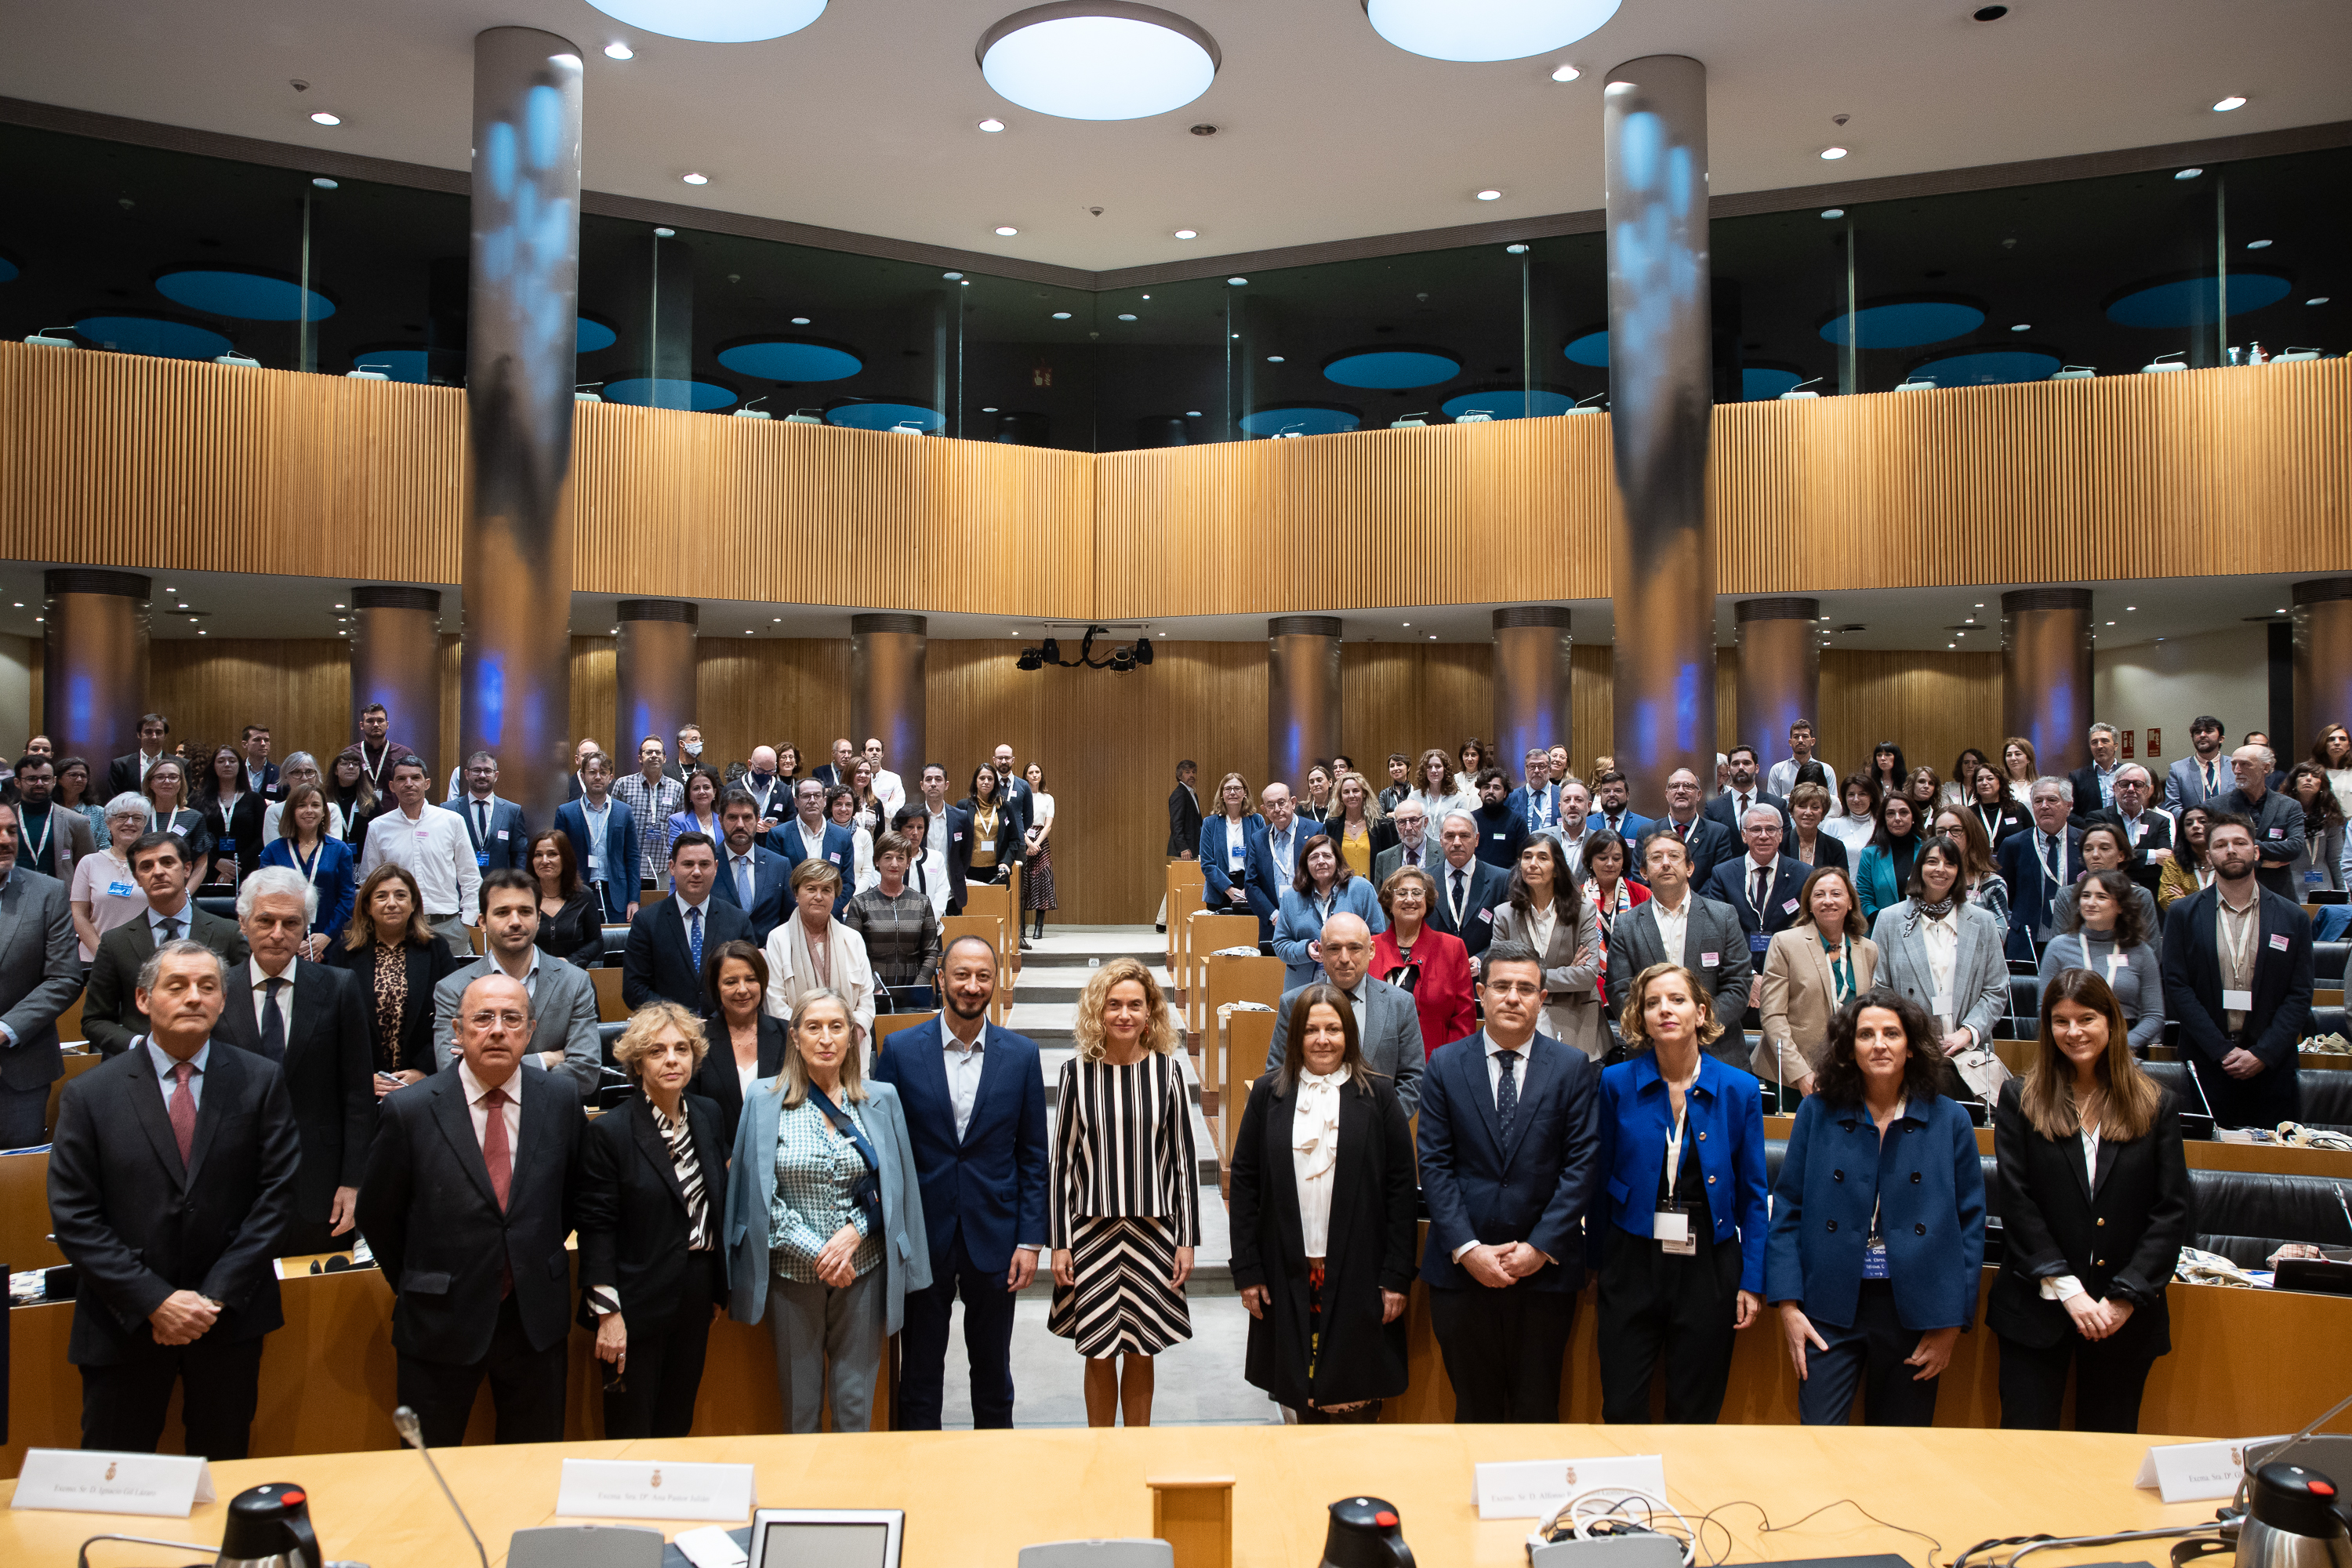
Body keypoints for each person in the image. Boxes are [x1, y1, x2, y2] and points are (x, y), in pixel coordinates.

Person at [46, 939, 301, 1457]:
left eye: (208, 987)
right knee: (115, 1480)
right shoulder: (91, 1094)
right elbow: (74, 1216)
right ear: (143, 999)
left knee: (222, 1472)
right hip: (124, 1319)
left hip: (226, 1316)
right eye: (177, 986)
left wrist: (210, 1299)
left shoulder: (260, 1080)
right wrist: (155, 1302)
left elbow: (278, 1197)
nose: (194, 997)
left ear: (223, 1001)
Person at [358, 972, 586, 1446]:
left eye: (511, 1018)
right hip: (438, 1319)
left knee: (531, 1472)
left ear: (530, 1031)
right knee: (430, 1476)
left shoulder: (562, 1100)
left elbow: (570, 1201)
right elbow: (380, 1215)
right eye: (483, 1018)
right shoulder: (411, 1110)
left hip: (533, 1321)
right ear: (458, 1033)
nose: (497, 1029)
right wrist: (424, 1279)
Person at [1766, 991, 1985, 1425]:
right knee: (1819, 1439)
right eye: (1866, 1034)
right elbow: (1788, 1207)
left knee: (1900, 1454)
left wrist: (1950, 1327)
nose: (1879, 1044)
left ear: (1911, 1045)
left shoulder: (1951, 1121)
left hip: (1917, 1311)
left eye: (1891, 1033)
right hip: (1829, 1303)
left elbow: (1970, 1225)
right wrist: (1789, 1308)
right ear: (1849, 1048)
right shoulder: (1816, 1112)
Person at [1990, 969, 2190, 1432]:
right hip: (2037, 1313)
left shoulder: (2156, 1103)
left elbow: (2171, 1211)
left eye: (2086, 1018)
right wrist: (2071, 1291)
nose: (2073, 1032)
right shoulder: (2021, 1097)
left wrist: (2124, 1298)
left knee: (2106, 1462)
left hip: (2125, 1318)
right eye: (2061, 1021)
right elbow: (2017, 1203)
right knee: (2024, 1459)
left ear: (2111, 1022)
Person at [725, 986, 928, 1434]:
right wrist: (818, 1250)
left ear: (852, 1036)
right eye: (813, 1027)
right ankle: (804, 1500)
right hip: (793, 1275)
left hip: (864, 1270)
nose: (825, 1038)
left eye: (836, 1027)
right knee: (800, 1408)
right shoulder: (763, 1100)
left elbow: (898, 1185)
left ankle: (848, 1499)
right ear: (794, 1037)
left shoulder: (880, 1099)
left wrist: (855, 1233)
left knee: (855, 1405)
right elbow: (755, 1194)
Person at [1414, 941, 1599, 1422]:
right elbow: (1434, 1163)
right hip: (1462, 1271)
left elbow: (1581, 1166)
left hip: (1543, 1273)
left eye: (1525, 988)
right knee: (1473, 1411)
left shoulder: (1572, 1067)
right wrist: (1469, 1249)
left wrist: (1539, 1247)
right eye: (1501, 986)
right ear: (1481, 993)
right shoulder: (1446, 1064)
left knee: (1537, 1409)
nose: (1513, 997)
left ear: (1542, 997)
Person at [875, 935, 1051, 1430]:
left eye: (982, 977)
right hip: (922, 1235)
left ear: (995, 982)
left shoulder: (1020, 1055)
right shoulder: (902, 1050)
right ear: (940, 978)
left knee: (993, 1375)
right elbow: (883, 1148)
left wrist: (1031, 1239)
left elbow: (1033, 1155)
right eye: (961, 975)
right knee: (920, 1375)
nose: (971, 987)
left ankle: (993, 1483)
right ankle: (919, 1481)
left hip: (995, 1236)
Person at [1230, 982, 1416, 1424]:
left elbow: (1400, 1191)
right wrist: (1249, 1272)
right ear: (1296, 1037)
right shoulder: (1267, 1094)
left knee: (1353, 1400)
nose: (1323, 1040)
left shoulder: (1379, 1095)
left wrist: (1396, 1276)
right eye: (1312, 1030)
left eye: (1333, 1029)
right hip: (1286, 1269)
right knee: (1299, 1398)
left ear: (1348, 1034)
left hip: (1359, 1273)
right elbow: (1245, 1184)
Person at [1592, 962, 1769, 1423]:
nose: (1664, 1010)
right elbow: (1598, 1179)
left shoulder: (1740, 1089)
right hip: (1632, 1257)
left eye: (1676, 1000)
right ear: (1640, 1018)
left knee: (1695, 1412)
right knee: (1622, 1405)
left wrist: (1751, 1278)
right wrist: (1597, 1264)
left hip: (1709, 1262)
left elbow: (1753, 1194)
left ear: (1701, 1012)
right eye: (1652, 1003)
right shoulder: (1615, 1083)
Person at [1048, 957, 1200, 1427]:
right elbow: (1062, 1164)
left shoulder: (1169, 1072)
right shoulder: (1077, 1073)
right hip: (1091, 1233)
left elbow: (1182, 1159)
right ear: (1099, 1011)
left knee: (1141, 1347)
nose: (1124, 1015)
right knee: (1097, 1349)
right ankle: (1102, 1449)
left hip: (1153, 1232)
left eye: (1135, 1005)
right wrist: (1058, 1241)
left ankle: (1136, 1448)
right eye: (1114, 1005)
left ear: (1151, 1013)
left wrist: (1187, 1239)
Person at [579, 1001, 729, 1439]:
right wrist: (608, 1313)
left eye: (682, 1049)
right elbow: (596, 1226)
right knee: (632, 1427)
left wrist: (716, 1286)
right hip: (634, 1295)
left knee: (677, 1418)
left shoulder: (706, 1115)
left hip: (696, 1288)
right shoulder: (610, 1132)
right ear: (637, 1061)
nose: (671, 1060)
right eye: (657, 1051)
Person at [212, 867, 374, 1255]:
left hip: (319, 1185)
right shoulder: (215, 992)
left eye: (291, 922)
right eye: (265, 921)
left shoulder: (338, 987)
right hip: (232, 1185)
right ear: (243, 923)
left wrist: (354, 1182)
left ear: (306, 926)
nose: (278, 933)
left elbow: (357, 1095)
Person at [2161, 813, 2314, 1129]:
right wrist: (2222, 1050)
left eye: (2240, 843)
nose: (2230, 850)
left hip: (2272, 1064)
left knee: (2276, 1168)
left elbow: (2299, 994)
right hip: (2206, 1061)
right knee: (2211, 1165)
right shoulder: (2182, 913)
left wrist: (2262, 1053)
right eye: (2221, 844)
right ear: (2209, 855)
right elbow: (2177, 986)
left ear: (2256, 852)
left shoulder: (2293, 917)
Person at [431, 869, 602, 1102]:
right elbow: (452, 1074)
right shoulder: (451, 989)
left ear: (538, 918)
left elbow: (586, 1073)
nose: (515, 922)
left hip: (554, 1123)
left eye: (525, 912)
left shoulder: (575, 982)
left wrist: (492, 1068)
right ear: (482, 922)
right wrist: (547, 1059)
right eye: (502, 912)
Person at [84, 831, 251, 1059]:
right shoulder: (116, 942)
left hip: (215, 1060)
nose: (158, 871)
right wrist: (138, 1044)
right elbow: (95, 1020)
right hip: (140, 1065)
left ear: (187, 869)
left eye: (167, 862)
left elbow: (246, 1008)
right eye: (146, 866)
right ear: (138, 878)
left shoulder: (229, 934)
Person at [1606, 832, 1751, 1069]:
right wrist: (1657, 1026)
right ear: (1643, 872)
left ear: (1689, 868)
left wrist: (1696, 1022)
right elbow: (1619, 989)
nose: (1665, 863)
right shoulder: (1626, 925)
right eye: (1656, 858)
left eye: (1674, 856)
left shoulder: (1723, 917)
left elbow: (1738, 984)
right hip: (1649, 1052)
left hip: (1717, 1051)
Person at [1870, 835, 2010, 1066]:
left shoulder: (1983, 922)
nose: (1940, 870)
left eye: (1950, 864)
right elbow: (1879, 987)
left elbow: (1996, 989)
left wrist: (1967, 1032)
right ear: (1920, 867)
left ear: (1959, 872)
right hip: (1909, 1050)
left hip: (1969, 1050)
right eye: (1932, 862)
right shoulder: (1890, 920)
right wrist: (1911, 1034)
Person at [1264, 912, 1424, 1111]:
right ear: (1320, 952)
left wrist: (1383, 1124)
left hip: (1378, 1134)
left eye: (1355, 948)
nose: (1344, 958)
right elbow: (1277, 1073)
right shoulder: (1293, 1003)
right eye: (1334, 948)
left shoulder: (1400, 1004)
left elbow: (1413, 1078)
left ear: (1371, 950)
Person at [326, 862, 463, 1095]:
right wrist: (361, 1076)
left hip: (423, 1085)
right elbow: (333, 1023)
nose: (392, 903)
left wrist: (425, 1071)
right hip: (364, 1086)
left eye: (401, 895)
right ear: (368, 906)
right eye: (381, 896)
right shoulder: (344, 953)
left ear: (413, 904)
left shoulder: (435, 949)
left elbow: (456, 1016)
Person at [0, 798, 85, 1146]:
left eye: (11, 830)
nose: (6, 839)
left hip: (20, 1070)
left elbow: (64, 977)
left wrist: (6, 1029)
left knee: (18, 1187)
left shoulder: (47, 892)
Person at [1758, 866, 1880, 1098]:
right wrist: (1801, 1074)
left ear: (1851, 902)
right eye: (1819, 895)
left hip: (1851, 1073)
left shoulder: (1868, 949)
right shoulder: (1785, 943)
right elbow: (1772, 1016)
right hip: (1792, 1076)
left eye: (1836, 894)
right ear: (1809, 904)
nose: (1828, 901)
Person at [1490, 836, 1605, 1058]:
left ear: (1556, 869)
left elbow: (1588, 975)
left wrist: (1525, 977)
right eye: (1527, 857)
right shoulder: (1504, 914)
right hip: (1520, 1019)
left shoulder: (1584, 911)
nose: (1533, 864)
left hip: (1577, 1023)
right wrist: (1566, 972)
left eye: (1542, 857)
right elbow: (1497, 975)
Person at [359, 757, 479, 960]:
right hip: (398, 928)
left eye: (415, 777)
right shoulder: (378, 828)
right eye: (401, 779)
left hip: (448, 927)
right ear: (392, 786)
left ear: (427, 783)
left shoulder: (452, 821)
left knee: (455, 990)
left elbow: (470, 877)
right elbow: (369, 883)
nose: (409, 783)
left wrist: (466, 923)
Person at [2038, 868, 2164, 1055]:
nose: (2090, 903)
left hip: (2126, 1049)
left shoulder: (2141, 951)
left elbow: (2154, 1016)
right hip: (2073, 1043)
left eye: (2101, 897)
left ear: (2121, 906)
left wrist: (2119, 1047)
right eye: (2086, 895)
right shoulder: (2058, 947)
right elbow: (2044, 1008)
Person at [1707, 805, 1812, 1025]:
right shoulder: (1723, 874)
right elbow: (1717, 930)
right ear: (1744, 835)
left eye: (1771, 829)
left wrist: (1776, 978)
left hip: (1789, 981)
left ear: (1781, 834)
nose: (1764, 835)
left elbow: (1806, 932)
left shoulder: (1804, 875)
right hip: (1737, 982)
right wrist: (1750, 975)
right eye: (1755, 830)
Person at [625, 833, 752, 1013]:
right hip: (667, 1029)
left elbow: (749, 981)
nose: (697, 872)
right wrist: (681, 1019)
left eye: (704, 864)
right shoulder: (646, 921)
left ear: (716, 868)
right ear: (672, 867)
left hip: (725, 1029)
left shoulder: (738, 921)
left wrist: (716, 1022)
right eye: (688, 864)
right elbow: (634, 988)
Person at [764, 857, 877, 1045]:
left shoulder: (853, 939)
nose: (819, 896)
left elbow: (866, 1000)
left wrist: (848, 1038)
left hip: (850, 1047)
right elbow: (775, 1004)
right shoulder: (778, 939)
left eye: (826, 890)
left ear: (835, 896)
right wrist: (813, 1040)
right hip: (798, 1047)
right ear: (796, 894)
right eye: (811, 889)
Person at [688, 939, 789, 1147]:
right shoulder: (696, 1042)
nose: (742, 989)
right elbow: (693, 1113)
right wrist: (725, 1159)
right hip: (719, 1164)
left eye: (750, 979)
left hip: (781, 1160)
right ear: (717, 987)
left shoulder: (789, 1035)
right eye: (731, 982)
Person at [1372, 865, 1475, 1062]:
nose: (1410, 899)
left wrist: (1448, 1065)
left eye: (1417, 893)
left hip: (1435, 1065)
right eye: (1401, 893)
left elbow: (1463, 1019)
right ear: (1389, 902)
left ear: (1426, 902)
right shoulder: (1370, 948)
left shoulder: (1452, 948)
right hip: (1378, 1066)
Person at [257, 783, 358, 962]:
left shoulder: (340, 850)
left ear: (324, 812)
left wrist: (325, 937)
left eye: (315, 805)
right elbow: (265, 897)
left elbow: (347, 899)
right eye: (302, 805)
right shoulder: (272, 851)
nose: (309, 811)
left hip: (329, 943)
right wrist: (291, 939)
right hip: (283, 940)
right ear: (291, 812)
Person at [1272, 833, 1385, 989]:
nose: (1321, 861)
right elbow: (1280, 944)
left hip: (1352, 981)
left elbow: (1378, 937)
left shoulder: (1362, 889)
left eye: (1327, 855)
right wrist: (1306, 950)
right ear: (1305, 864)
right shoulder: (1291, 897)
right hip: (1303, 987)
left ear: (1337, 860)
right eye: (1314, 857)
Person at [846, 831, 941, 1013]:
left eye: (900, 858)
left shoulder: (922, 902)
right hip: (870, 994)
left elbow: (930, 952)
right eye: (888, 857)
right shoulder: (860, 903)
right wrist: (875, 987)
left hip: (914, 994)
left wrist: (917, 988)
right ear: (876, 861)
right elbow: (852, 953)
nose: (894, 864)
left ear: (908, 863)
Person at [1998, 778, 2086, 960]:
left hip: (2075, 939)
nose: (2044, 806)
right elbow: (2005, 895)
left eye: (2052, 800)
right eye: (2038, 801)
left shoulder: (2086, 842)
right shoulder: (2013, 844)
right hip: (2027, 940)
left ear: (2069, 805)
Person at [555, 750, 640, 922]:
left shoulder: (624, 811)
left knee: (616, 946)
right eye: (592, 772)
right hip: (578, 890)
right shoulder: (566, 812)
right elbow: (559, 858)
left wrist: (634, 899)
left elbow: (632, 857)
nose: (598, 777)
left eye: (603, 773)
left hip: (616, 894)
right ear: (583, 776)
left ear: (610, 778)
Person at [2215, 744, 2304, 900]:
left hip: (2279, 893)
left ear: (2265, 768)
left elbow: (2294, 848)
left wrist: (2244, 846)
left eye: (2245, 764)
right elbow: (2216, 853)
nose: (2237, 770)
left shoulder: (2289, 806)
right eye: (2234, 764)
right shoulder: (2217, 806)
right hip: (2233, 894)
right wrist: (2261, 863)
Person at [73, 794, 156, 961]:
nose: (130, 823)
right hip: (95, 959)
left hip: (145, 959)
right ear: (108, 823)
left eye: (137, 818)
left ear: (145, 823)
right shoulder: (89, 863)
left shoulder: (155, 863)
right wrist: (103, 956)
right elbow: (79, 915)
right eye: (122, 817)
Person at [706, 788, 791, 944]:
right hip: (720, 960)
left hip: (769, 959)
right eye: (732, 817)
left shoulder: (779, 865)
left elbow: (789, 920)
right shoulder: (706, 864)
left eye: (747, 817)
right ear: (720, 821)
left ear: (758, 819)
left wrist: (771, 951)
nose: (740, 825)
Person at [1428, 811, 1512, 965]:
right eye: (1449, 836)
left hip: (1481, 979)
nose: (1457, 842)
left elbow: (1510, 933)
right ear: (1440, 840)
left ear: (1477, 839)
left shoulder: (1501, 879)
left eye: (1464, 836)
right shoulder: (1424, 880)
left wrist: (1483, 959)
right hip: (1434, 973)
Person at [1200, 771, 1276, 938]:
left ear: (1245, 793)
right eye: (1228, 789)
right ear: (1222, 795)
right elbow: (1206, 863)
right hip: (1220, 889)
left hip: (1250, 885)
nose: (1232, 792)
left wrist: (1249, 888)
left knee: (1247, 937)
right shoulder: (1210, 823)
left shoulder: (1257, 820)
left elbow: (1262, 859)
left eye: (1237, 788)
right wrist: (1228, 889)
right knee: (1219, 940)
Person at [2053, 822, 2161, 939]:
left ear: (2121, 855)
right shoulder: (2066, 895)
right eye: (2088, 849)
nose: (2095, 855)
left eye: (2104, 848)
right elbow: (2060, 947)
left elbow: (2152, 949)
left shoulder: (2140, 895)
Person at [770, 777, 858, 917]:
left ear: (824, 801)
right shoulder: (778, 835)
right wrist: (801, 911)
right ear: (796, 801)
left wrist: (828, 909)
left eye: (817, 795)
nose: (812, 800)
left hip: (830, 916)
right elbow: (776, 882)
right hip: (792, 918)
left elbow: (847, 883)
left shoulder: (842, 836)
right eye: (806, 796)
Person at [1926, 803, 2013, 941]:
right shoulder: (1925, 881)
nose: (1948, 837)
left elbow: (1998, 939)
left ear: (1971, 835)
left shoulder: (1993, 884)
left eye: (1956, 830)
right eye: (1941, 832)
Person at [525, 829, 605, 970]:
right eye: (538, 855)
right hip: (530, 977)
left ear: (565, 859)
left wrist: (571, 961)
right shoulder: (522, 898)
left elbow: (596, 941)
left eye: (552, 854)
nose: (545, 861)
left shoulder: (584, 895)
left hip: (573, 978)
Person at [10, 752, 95, 884]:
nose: (40, 783)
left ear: (54, 781)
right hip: (11, 896)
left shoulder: (77, 821)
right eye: (32, 779)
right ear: (17, 782)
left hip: (59, 899)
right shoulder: (5, 818)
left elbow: (88, 869)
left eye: (45, 778)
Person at [615, 737, 686, 891]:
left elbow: (681, 829)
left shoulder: (677, 789)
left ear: (665, 758)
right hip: (629, 866)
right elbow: (613, 827)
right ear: (640, 758)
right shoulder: (623, 785)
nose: (654, 755)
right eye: (649, 752)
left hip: (663, 867)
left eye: (658, 752)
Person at [2089, 764, 2175, 889]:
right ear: (2114, 788)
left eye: (2138, 784)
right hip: (2109, 890)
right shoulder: (2098, 818)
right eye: (2124, 784)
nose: (2131, 789)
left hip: (2150, 893)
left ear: (2147, 790)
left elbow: (2164, 860)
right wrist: (2152, 855)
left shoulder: (2161, 821)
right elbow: (2103, 858)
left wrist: (2120, 858)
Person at [453, 751, 528, 886]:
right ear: (467, 774)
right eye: (476, 770)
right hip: (460, 889)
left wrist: (517, 887)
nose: (482, 775)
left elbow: (520, 855)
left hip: (500, 889)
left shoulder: (512, 811)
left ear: (496, 775)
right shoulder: (449, 809)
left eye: (488, 771)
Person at [1854, 790, 1925, 924]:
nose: (1897, 818)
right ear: (1884, 820)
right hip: (1882, 928)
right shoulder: (1870, 854)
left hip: (1923, 927)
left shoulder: (1928, 851)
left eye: (1904, 812)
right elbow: (1864, 898)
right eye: (1891, 813)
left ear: (1913, 817)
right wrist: (1883, 922)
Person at [2283, 760, 2347, 895]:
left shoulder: (2330, 816)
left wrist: (2345, 894)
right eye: (2302, 775)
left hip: (2324, 888)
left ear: (2322, 785)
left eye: (2315, 776)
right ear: (2294, 783)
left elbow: (2336, 860)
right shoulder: (2281, 813)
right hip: (2289, 887)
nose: (2308, 779)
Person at [1704, 746, 1792, 837]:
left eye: (1746, 763)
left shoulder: (1777, 804)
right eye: (1736, 764)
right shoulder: (1713, 808)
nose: (1741, 768)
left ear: (1757, 768)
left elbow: (1785, 844)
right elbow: (1710, 844)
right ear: (1729, 770)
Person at [141, 754, 212, 869]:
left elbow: (202, 863)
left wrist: (187, 888)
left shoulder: (194, 817)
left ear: (181, 783)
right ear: (150, 783)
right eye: (160, 777)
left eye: (173, 777)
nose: (167, 781)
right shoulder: (139, 816)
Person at [1326, 769, 1392, 882]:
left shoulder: (1380, 826)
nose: (1351, 795)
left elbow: (1389, 864)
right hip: (1341, 892)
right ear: (1341, 796)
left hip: (1373, 893)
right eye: (1346, 792)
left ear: (1364, 793)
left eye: (1356, 791)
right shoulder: (1331, 826)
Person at [960, 764, 1018, 890]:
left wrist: (1006, 862)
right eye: (982, 778)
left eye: (990, 779)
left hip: (997, 870)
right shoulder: (963, 806)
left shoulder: (1005, 807)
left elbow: (1014, 839)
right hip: (970, 870)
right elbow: (957, 841)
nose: (986, 782)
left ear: (995, 783)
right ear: (975, 781)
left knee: (994, 909)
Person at [1020, 761, 1057, 946]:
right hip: (1023, 839)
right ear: (1025, 776)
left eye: (1037, 772)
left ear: (1041, 776)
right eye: (1031, 772)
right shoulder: (1021, 795)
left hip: (1041, 842)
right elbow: (1017, 820)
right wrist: (1027, 842)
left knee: (1042, 880)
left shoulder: (1048, 798)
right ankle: (1020, 929)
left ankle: (1038, 927)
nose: (1035, 775)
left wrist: (1036, 844)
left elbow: (1048, 824)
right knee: (1022, 883)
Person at [2164, 717, 2232, 815]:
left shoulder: (2235, 766)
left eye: (2208, 731)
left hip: (2228, 826)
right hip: (2194, 827)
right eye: (2197, 732)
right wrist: (2195, 820)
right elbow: (2172, 807)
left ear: (2221, 739)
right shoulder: (2178, 769)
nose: (2202, 735)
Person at [2157, 804, 2216, 912]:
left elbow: (2232, 896)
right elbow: (2167, 899)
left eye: (2202, 822)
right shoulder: (2174, 862)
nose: (2195, 826)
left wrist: (2185, 900)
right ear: (2183, 832)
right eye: (2189, 824)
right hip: (2187, 925)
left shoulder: (2223, 858)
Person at [350, 703, 418, 793]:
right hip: (359, 807)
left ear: (387, 725)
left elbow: (414, 784)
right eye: (370, 721)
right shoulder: (350, 754)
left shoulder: (403, 754)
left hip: (394, 807)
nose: (376, 725)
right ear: (362, 725)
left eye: (380, 720)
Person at [105, 711, 172, 800]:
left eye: (158, 732)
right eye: (148, 732)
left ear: (165, 736)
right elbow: (115, 801)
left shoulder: (180, 764)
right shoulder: (120, 765)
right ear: (139, 734)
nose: (154, 737)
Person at [1372, 799, 1440, 884]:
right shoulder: (1384, 859)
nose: (1408, 828)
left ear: (1425, 822)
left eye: (1414, 820)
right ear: (1396, 825)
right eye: (1402, 822)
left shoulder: (1443, 854)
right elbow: (1381, 896)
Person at [1785, 782, 1850, 871]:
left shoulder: (1835, 847)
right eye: (1802, 806)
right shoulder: (1779, 844)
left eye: (1815, 807)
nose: (1808, 812)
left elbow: (1841, 882)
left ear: (1823, 814)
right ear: (1792, 811)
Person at [2068, 723, 2126, 822]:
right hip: (2090, 832)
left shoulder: (2127, 772)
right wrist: (2090, 827)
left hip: (2123, 832)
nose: (2099, 746)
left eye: (2105, 741)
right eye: (2094, 742)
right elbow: (2069, 812)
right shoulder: (2077, 777)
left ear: (2115, 746)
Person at [826, 783, 877, 896]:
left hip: (858, 898)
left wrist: (851, 898)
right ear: (830, 807)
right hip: (828, 897)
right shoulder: (821, 833)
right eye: (838, 804)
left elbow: (867, 873)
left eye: (848, 804)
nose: (843, 809)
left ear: (854, 808)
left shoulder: (864, 835)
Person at [1766, 720, 1835, 801]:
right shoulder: (1777, 770)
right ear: (1790, 742)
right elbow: (1773, 804)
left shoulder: (1826, 770)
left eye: (1805, 736)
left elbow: (1833, 804)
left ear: (1812, 741)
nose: (1800, 740)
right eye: (1796, 737)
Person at [1407, 748, 1473, 832]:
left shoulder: (1459, 798)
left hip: (1447, 844)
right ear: (1424, 771)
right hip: (1422, 844)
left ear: (1445, 769)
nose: (1433, 770)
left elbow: (1462, 827)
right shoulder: (1413, 797)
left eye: (1438, 766)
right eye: (1429, 767)